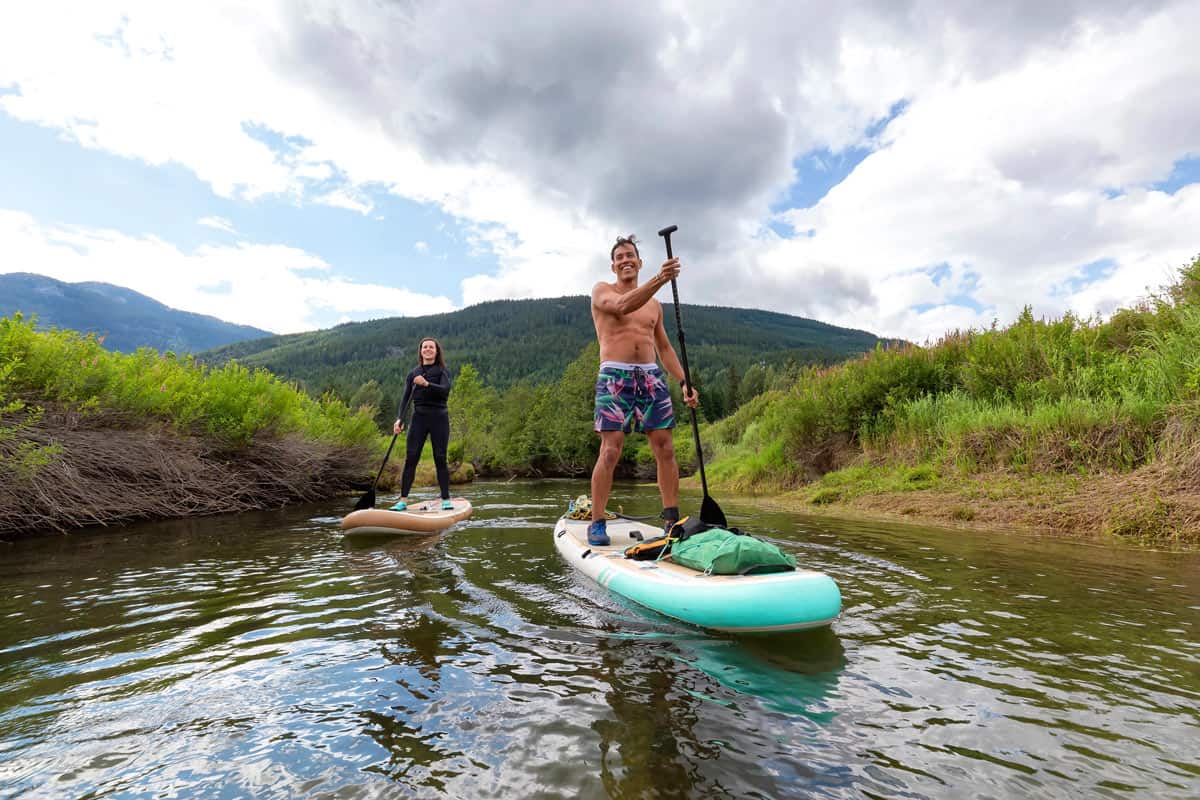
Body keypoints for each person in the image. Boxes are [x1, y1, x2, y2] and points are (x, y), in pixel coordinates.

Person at [587, 234, 700, 546]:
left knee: (665, 448)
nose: (625, 260)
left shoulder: (654, 305)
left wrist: (683, 381)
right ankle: (597, 521)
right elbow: (623, 305)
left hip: (650, 377)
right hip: (614, 376)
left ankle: (670, 519)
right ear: (613, 265)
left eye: (630, 256)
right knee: (611, 449)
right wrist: (661, 278)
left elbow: (664, 347)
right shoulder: (602, 291)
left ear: (639, 262)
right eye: (620, 257)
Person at [390, 337, 454, 511]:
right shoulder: (413, 373)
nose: (427, 349)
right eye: (424, 347)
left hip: (439, 417)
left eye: (431, 347)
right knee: (411, 458)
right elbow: (405, 399)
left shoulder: (442, 371)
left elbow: (445, 391)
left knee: (440, 457)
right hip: (419, 418)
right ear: (420, 351)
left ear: (436, 351)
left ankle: (446, 498)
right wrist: (399, 419)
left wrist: (426, 384)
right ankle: (402, 500)